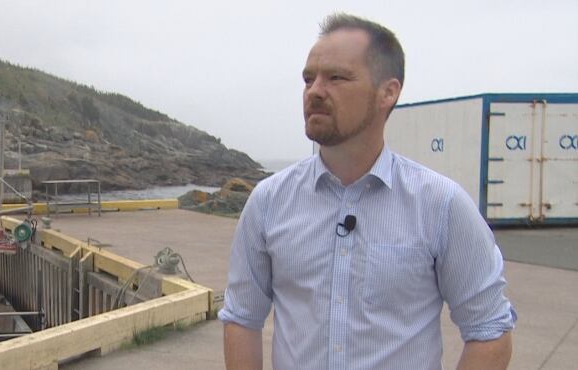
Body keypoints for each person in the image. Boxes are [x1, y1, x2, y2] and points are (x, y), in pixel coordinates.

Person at [219, 13, 516, 370]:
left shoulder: (441, 204)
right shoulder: (268, 202)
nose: (314, 91)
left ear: (387, 92)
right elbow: (241, 317)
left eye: (337, 78)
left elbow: (489, 329)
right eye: (309, 79)